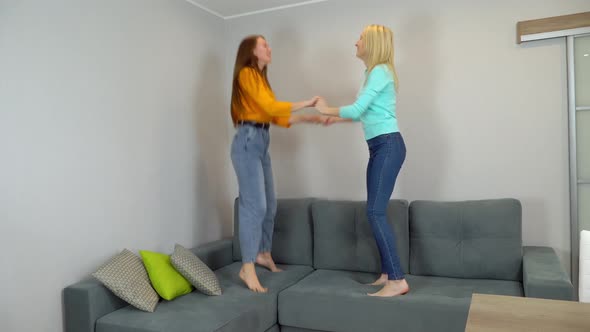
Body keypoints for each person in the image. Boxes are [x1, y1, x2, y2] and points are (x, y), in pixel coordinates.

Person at [316, 25, 409, 297]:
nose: (355, 43)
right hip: (379, 147)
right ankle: (386, 273)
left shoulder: (380, 71)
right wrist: (333, 117)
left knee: (375, 212)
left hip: (388, 145)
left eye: (360, 39)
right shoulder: (371, 72)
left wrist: (326, 108)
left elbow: (357, 109)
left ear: (372, 43)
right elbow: (361, 114)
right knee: (375, 210)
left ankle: (397, 280)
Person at [231, 34, 327, 293]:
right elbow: (270, 107)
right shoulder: (247, 75)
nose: (269, 48)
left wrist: (311, 119)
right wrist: (307, 102)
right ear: (251, 51)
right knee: (255, 206)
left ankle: (263, 252)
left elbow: (276, 117)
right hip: (247, 142)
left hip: (261, 140)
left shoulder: (262, 81)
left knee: (270, 205)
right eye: (264, 45)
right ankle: (247, 266)